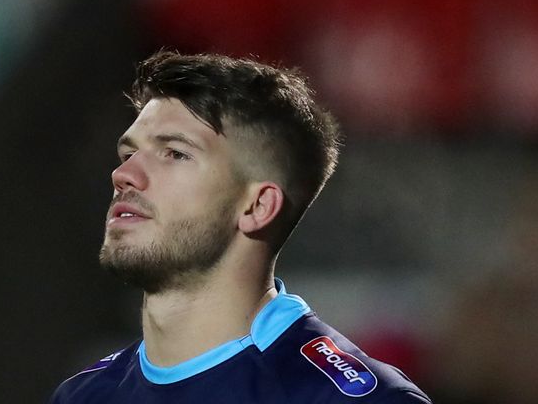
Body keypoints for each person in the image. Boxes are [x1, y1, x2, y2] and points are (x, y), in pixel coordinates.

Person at [50, 51, 431, 403]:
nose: (124, 174)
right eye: (129, 153)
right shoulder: (83, 395)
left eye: (175, 154)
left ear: (258, 206)